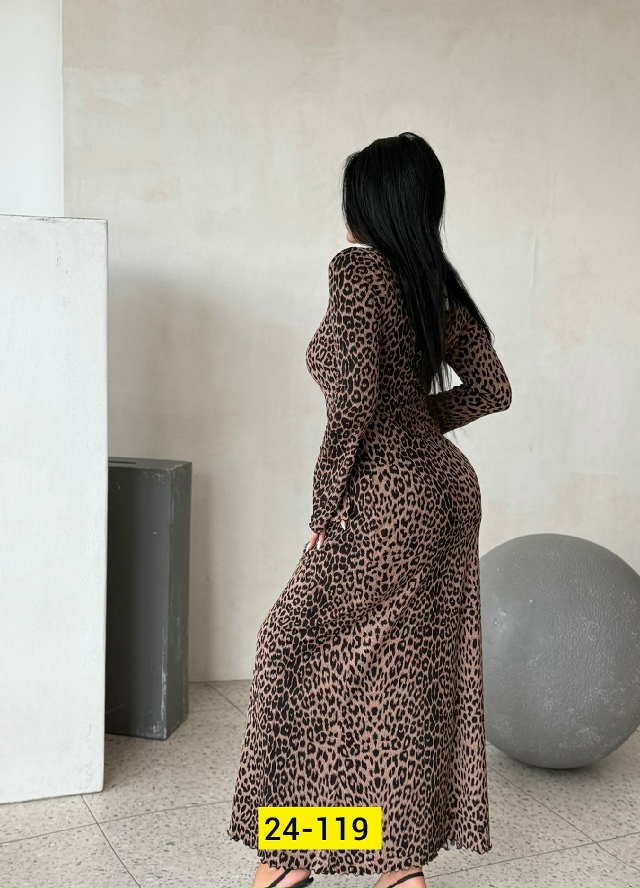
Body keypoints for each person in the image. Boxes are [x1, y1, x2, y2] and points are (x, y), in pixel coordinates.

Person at [227, 132, 512, 888]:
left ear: (372, 206)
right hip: (446, 494)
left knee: (288, 648)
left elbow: (353, 398)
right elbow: (494, 389)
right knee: (404, 673)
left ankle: (288, 856)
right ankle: (399, 864)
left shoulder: (356, 271)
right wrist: (414, 424)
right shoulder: (433, 284)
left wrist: (326, 503)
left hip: (385, 497)